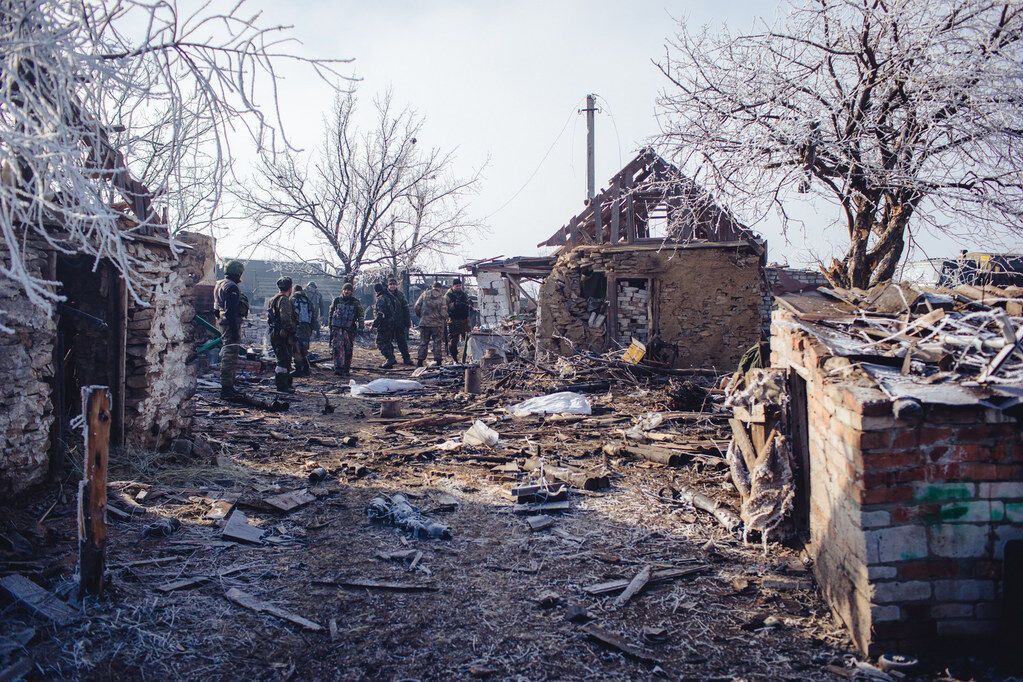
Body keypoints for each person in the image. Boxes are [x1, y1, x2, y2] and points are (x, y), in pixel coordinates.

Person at [213, 260, 249, 399]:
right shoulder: (232, 287)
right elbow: (230, 311)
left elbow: (216, 309)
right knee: (230, 356)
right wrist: (234, 329)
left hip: (223, 323)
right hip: (230, 324)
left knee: (228, 354)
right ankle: (226, 389)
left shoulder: (219, 284)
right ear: (238, 273)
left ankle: (229, 387)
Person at [267, 276, 297, 391]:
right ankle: (282, 385)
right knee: (284, 360)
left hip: (275, 333)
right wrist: (292, 331)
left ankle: (285, 383)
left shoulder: (272, 299)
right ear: (290, 288)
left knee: (283, 359)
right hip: (282, 334)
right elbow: (285, 319)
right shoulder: (284, 300)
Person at [328, 282, 364, 376]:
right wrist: (330, 326)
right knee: (337, 348)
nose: (346, 291)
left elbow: (360, 315)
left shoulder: (355, 302)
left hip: (349, 329)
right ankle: (338, 368)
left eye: (349, 290)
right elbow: (331, 313)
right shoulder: (337, 300)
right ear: (342, 290)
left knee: (348, 349)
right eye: (345, 289)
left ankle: (346, 368)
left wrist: (361, 326)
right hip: (337, 328)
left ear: (351, 291)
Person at [414, 281, 448, 367]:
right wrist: (444, 317)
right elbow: (443, 313)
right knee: (437, 342)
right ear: (440, 288)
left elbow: (417, 306)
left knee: (423, 342)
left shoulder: (424, 295)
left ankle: (420, 361)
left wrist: (422, 316)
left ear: (432, 287)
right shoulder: (442, 298)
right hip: (437, 324)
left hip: (424, 323)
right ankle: (438, 361)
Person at [446, 278, 474, 363]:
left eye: (459, 286)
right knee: (453, 340)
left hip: (464, 320)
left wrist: (469, 304)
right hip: (453, 320)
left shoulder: (463, 294)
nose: (458, 287)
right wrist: (453, 305)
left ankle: (468, 357)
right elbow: (444, 307)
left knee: (468, 339)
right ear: (453, 286)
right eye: (457, 286)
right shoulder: (448, 295)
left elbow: (468, 303)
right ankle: (454, 358)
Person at [373, 282, 400, 368]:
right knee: (388, 341)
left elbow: (380, 314)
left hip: (384, 324)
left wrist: (374, 325)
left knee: (380, 342)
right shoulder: (390, 297)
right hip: (391, 323)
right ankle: (391, 359)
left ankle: (390, 358)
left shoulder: (381, 299)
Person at [387, 277, 414, 366]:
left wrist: (407, 321)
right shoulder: (385, 295)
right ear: (388, 285)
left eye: (394, 284)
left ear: (396, 285)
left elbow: (405, 309)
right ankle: (390, 358)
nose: (392, 286)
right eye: (391, 284)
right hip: (388, 324)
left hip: (399, 322)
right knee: (388, 342)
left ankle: (406, 358)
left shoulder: (401, 295)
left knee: (402, 341)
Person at [291, 284, 314, 377]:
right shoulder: (308, 301)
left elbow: (290, 314)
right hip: (307, 328)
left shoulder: (292, 300)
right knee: (304, 349)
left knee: (296, 349)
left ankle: (298, 369)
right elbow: (313, 315)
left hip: (297, 327)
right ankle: (306, 369)